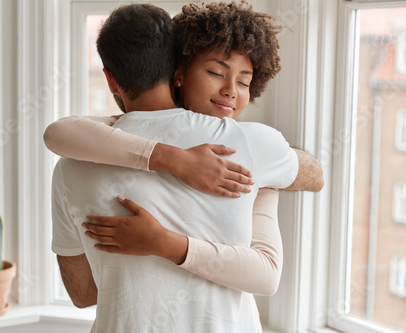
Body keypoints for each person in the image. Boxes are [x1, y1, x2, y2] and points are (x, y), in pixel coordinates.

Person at [49, 2, 322, 332]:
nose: (230, 91)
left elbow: (83, 294)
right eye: (216, 73)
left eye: (243, 82)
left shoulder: (72, 164)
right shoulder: (251, 147)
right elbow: (314, 175)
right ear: (177, 70)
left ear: (110, 79)